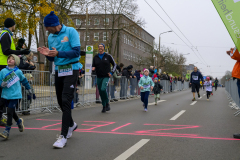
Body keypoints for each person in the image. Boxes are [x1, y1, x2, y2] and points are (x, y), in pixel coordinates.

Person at [37, 11, 81, 148]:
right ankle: (72, 124)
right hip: (59, 69)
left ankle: (63, 136)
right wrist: (48, 55)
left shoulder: (71, 31)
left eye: (46, 26)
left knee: (66, 99)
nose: (45, 29)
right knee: (60, 101)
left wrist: (58, 53)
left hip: (72, 68)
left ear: (54, 25)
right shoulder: (50, 37)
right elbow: (53, 56)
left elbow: (76, 52)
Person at [0, 18, 30, 126]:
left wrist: (19, 50)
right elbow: (6, 51)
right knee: (3, 94)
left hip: (6, 65)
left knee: (6, 94)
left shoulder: (6, 34)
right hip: (4, 66)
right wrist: (20, 51)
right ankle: (4, 118)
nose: (15, 27)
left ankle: (16, 120)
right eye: (14, 25)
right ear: (12, 25)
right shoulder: (5, 34)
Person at [0, 54, 31, 140]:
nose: (10, 60)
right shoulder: (2, 71)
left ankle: (6, 131)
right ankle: (19, 121)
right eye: (8, 59)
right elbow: (0, 81)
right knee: (12, 111)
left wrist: (29, 89)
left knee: (9, 112)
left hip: (15, 95)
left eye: (12, 59)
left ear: (16, 61)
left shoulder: (18, 72)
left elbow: (24, 80)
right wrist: (1, 84)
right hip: (5, 95)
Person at [92, 43, 116, 113]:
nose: (100, 48)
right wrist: (92, 69)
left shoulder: (108, 56)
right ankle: (104, 106)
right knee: (101, 91)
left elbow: (114, 64)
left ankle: (107, 103)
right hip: (98, 76)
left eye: (101, 46)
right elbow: (93, 66)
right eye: (99, 47)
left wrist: (111, 72)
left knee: (103, 89)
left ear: (104, 48)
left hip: (106, 76)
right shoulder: (95, 57)